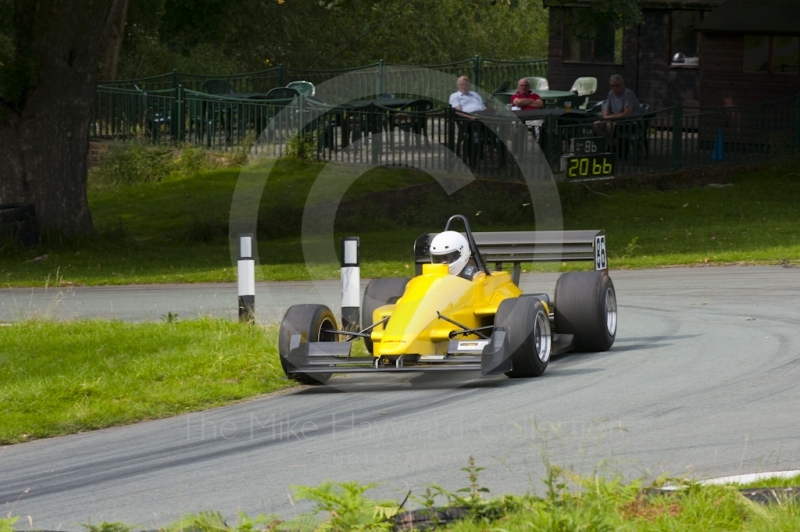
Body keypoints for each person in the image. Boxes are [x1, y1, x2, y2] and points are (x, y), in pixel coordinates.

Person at [592, 74, 641, 143]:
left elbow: (628, 113)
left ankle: (613, 145)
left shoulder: (627, 94)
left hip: (629, 122)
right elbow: (607, 110)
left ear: (622, 85)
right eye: (612, 86)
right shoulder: (611, 94)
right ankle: (609, 142)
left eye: (617, 85)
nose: (614, 88)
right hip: (615, 120)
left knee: (610, 125)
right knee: (596, 125)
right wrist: (606, 117)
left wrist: (611, 117)